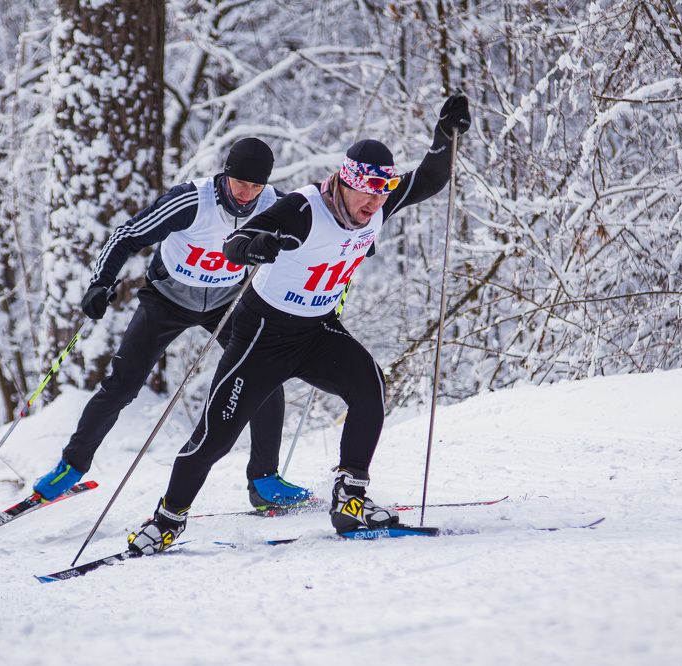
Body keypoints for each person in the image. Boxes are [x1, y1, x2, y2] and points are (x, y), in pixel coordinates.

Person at [127, 94, 472, 553]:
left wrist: (444, 137)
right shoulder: (305, 207)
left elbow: (430, 179)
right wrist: (255, 246)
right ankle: (168, 519)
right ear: (345, 185)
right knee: (216, 435)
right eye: (366, 192)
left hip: (316, 331)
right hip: (262, 335)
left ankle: (350, 500)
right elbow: (237, 240)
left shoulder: (380, 204)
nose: (374, 204)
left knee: (369, 386)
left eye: (381, 193)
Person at [33, 138, 313, 511]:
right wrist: (101, 283)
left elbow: (313, 245)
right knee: (122, 386)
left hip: (227, 303)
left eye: (255, 186)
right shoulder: (192, 201)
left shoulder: (274, 205)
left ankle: (264, 481)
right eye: (239, 183)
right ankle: (70, 467)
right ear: (225, 175)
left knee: (263, 378)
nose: (246, 194)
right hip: (167, 299)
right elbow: (127, 235)